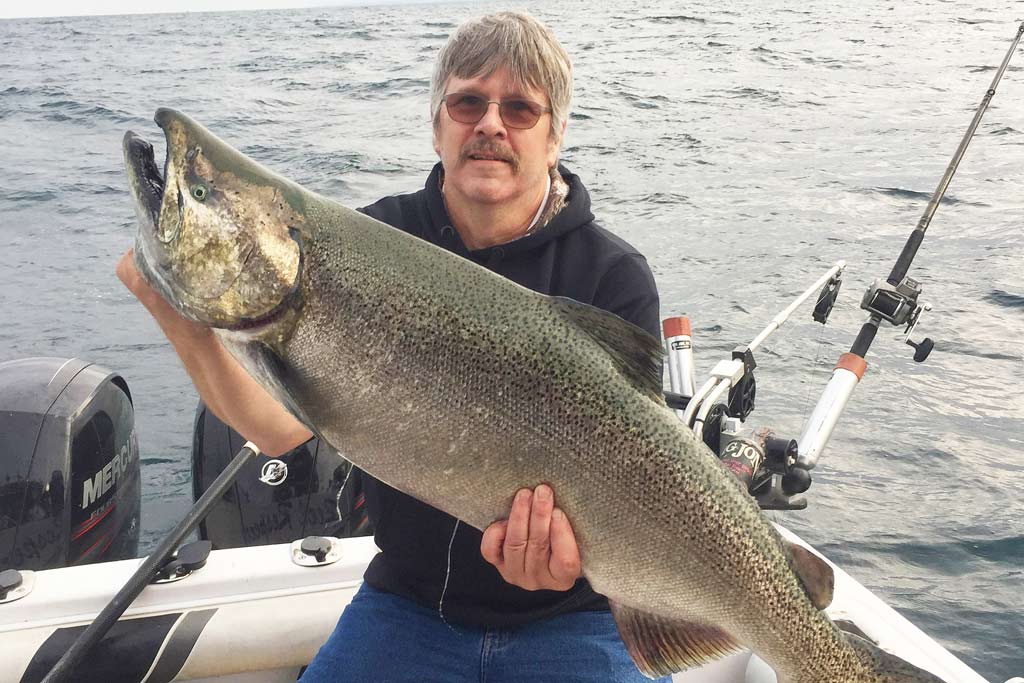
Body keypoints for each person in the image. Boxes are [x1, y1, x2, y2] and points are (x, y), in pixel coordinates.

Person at [117, 11, 665, 683]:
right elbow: (278, 428)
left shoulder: (612, 275)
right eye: (468, 102)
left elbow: (649, 470)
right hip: (409, 610)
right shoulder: (373, 238)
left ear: (555, 138)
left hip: (578, 617)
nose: (490, 124)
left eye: (520, 109)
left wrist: (568, 567)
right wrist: (176, 313)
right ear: (438, 124)